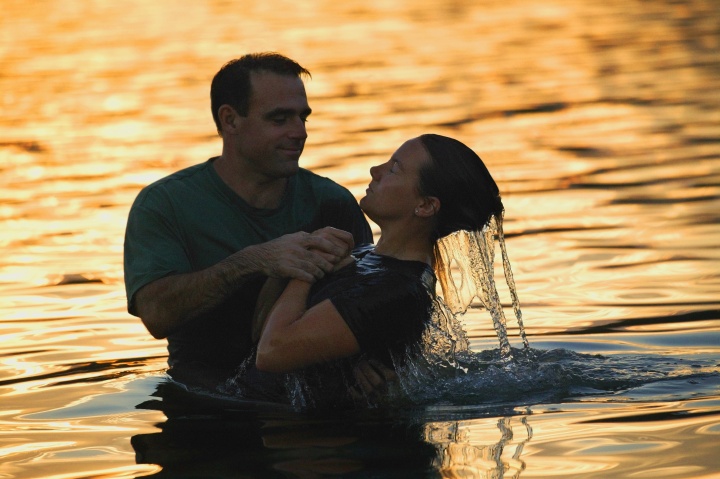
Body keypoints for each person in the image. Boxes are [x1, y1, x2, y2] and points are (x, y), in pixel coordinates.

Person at [123, 52, 374, 389]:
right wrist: (254, 261)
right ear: (230, 120)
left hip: (318, 397)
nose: (299, 132)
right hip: (205, 402)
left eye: (303, 118)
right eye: (280, 119)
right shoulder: (164, 204)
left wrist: (376, 362)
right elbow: (155, 315)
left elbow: (374, 305)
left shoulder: (333, 201)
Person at [238, 133, 507, 409]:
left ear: (425, 205)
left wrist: (307, 266)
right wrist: (286, 264)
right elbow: (261, 335)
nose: (375, 171)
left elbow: (271, 353)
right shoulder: (364, 254)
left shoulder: (396, 290)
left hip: (283, 432)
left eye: (393, 168)